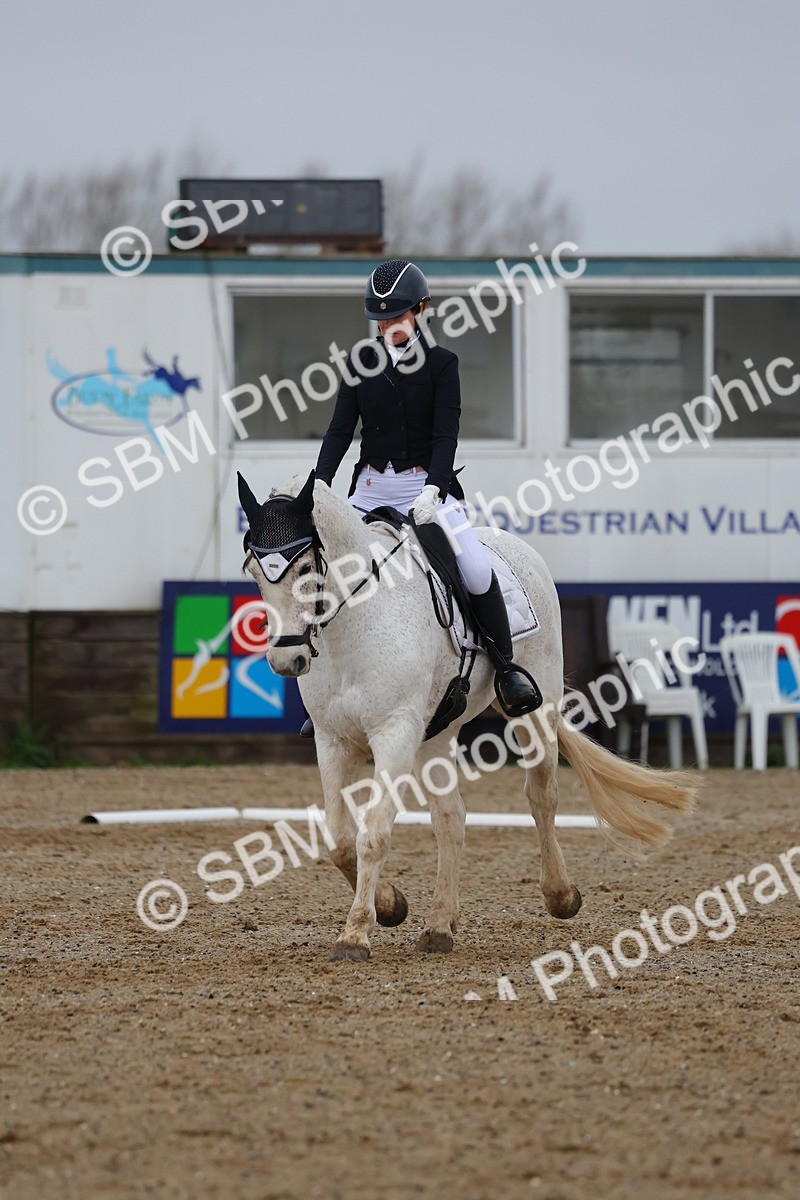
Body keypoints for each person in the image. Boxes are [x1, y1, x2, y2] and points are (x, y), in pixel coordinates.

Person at [303, 258, 542, 737]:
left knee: (473, 565)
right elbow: (338, 432)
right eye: (382, 318)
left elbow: (444, 434)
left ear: (421, 311)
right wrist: (320, 487)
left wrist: (434, 486)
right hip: (369, 489)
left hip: (425, 487)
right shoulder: (358, 365)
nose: (389, 325)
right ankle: (324, 693)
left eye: (398, 316)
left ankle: (506, 666)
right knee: (329, 570)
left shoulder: (442, 364)